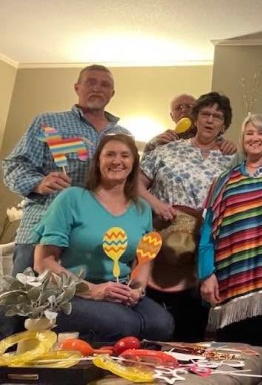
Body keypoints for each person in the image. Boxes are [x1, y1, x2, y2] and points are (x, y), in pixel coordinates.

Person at [33, 133, 174, 342]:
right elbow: (43, 262)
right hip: (72, 291)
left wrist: (137, 289)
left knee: (162, 325)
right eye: (110, 155)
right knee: (123, 324)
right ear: (98, 161)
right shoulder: (71, 198)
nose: (117, 161)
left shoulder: (142, 208)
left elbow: (143, 260)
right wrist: (93, 290)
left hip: (120, 289)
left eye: (125, 155)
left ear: (133, 163)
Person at [2, 65, 129, 278]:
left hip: (95, 238)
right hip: (41, 232)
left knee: (87, 299)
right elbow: (14, 165)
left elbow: (131, 182)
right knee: (25, 297)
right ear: (77, 87)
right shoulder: (47, 122)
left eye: (104, 85)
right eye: (91, 82)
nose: (97, 88)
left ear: (112, 93)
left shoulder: (122, 134)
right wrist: (38, 183)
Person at [140, 91, 235, 340]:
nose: (210, 120)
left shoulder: (231, 159)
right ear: (195, 118)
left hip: (204, 247)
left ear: (224, 124)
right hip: (161, 242)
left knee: (192, 323)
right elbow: (134, 185)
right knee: (152, 317)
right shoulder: (166, 151)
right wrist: (156, 204)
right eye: (205, 114)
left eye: (217, 116)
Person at [198, 113, 262, 362]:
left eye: (261, 133)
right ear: (242, 138)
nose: (255, 138)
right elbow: (207, 231)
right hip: (229, 283)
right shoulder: (224, 180)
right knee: (232, 356)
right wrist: (206, 274)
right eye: (249, 133)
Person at [144, 93, 237, 155]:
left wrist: (229, 146)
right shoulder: (161, 140)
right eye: (179, 107)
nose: (184, 110)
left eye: (189, 106)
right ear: (172, 116)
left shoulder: (217, 142)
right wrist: (156, 145)